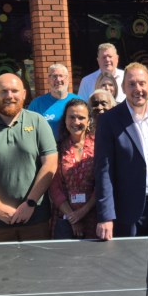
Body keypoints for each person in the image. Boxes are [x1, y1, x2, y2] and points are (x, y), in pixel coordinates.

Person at [0, 73, 58, 242]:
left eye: (15, 91)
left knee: (38, 266)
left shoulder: (38, 122)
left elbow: (50, 164)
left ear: (24, 94)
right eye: (3, 91)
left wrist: (30, 203)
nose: (9, 96)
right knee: (0, 268)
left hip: (35, 217)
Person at [94, 62, 148, 239]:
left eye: (142, 83)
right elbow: (104, 171)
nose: (137, 89)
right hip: (126, 212)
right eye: (131, 84)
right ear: (123, 88)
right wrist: (106, 216)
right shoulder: (109, 120)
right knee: (128, 265)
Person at [50, 99, 97, 239]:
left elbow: (103, 184)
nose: (76, 122)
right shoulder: (56, 148)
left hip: (94, 215)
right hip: (64, 217)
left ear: (89, 121)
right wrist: (72, 217)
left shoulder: (99, 146)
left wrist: (82, 212)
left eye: (81, 117)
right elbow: (54, 187)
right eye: (72, 117)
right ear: (65, 120)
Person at [28, 63, 80, 135]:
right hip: (47, 146)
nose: (58, 80)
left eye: (61, 76)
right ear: (48, 80)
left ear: (68, 79)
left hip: (72, 145)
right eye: (54, 76)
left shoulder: (78, 101)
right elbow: (29, 129)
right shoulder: (37, 104)